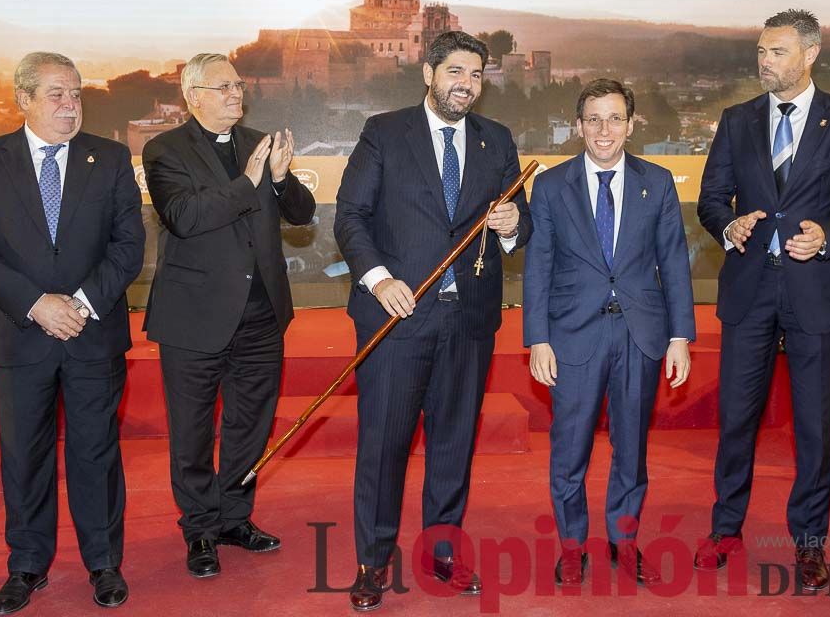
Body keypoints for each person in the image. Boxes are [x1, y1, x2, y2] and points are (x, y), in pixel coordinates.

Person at [334, 30, 532, 612]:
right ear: (428, 73)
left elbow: (520, 227)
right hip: (397, 317)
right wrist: (379, 280)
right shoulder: (384, 132)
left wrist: (511, 226)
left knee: (452, 443)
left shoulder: (497, 140)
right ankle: (373, 560)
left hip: (468, 319)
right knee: (384, 445)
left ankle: (441, 551)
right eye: (454, 72)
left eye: (474, 75)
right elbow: (350, 217)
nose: (464, 84)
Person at [695, 9, 830, 591]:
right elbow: (710, 200)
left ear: (811, 53)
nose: (764, 61)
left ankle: (809, 544)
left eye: (775, 52)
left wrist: (829, 236)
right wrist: (729, 228)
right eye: (760, 51)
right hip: (749, 292)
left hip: (815, 294)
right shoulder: (736, 120)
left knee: (813, 427)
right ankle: (726, 528)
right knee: (736, 421)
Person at [0, 51, 145, 614]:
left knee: (96, 452)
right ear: (24, 101)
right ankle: (27, 565)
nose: (70, 105)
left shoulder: (108, 158)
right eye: (57, 94)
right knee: (25, 455)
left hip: (92, 332)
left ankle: (104, 563)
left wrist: (78, 305)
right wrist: (37, 304)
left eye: (77, 94)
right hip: (21, 334)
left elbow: (128, 246)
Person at [142, 53, 315, 579]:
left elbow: (303, 215)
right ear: (193, 96)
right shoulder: (163, 149)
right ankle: (199, 528)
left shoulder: (260, 143)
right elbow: (186, 217)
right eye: (223, 87)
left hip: (261, 315)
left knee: (250, 426)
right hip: (194, 318)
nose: (236, 94)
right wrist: (249, 180)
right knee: (192, 432)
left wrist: (281, 180)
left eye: (238, 85)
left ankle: (235, 518)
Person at [523, 79, 695, 587]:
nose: (604, 130)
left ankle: (624, 541)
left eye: (615, 118)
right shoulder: (551, 186)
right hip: (572, 337)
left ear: (631, 124)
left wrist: (680, 336)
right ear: (579, 126)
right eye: (594, 119)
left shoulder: (658, 182)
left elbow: (674, 263)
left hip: (641, 337)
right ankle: (572, 546)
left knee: (631, 451)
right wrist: (538, 339)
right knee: (569, 449)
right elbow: (539, 266)